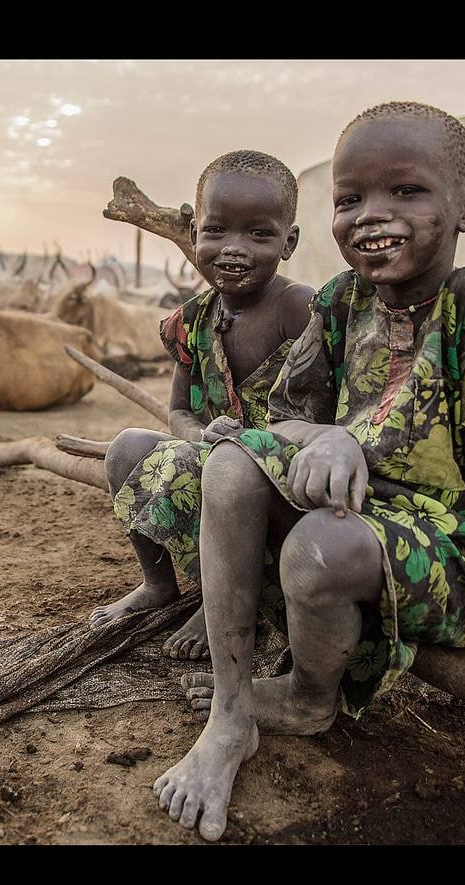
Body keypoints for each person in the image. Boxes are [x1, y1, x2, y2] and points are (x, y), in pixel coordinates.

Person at [153, 102, 465, 842]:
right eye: (350, 199)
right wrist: (331, 439)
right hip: (354, 511)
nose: (372, 215)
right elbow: (280, 422)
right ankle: (231, 715)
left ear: (464, 208)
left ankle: (309, 697)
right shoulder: (339, 303)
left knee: (319, 548)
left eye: (405, 192)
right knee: (229, 463)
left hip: (447, 544)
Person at [91, 150, 315, 661]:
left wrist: (248, 450)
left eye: (259, 235)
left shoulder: (298, 309)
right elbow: (178, 412)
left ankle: (232, 597)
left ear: (290, 242)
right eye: (217, 231)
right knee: (128, 447)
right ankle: (159, 584)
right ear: (194, 234)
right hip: (216, 456)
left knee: (231, 476)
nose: (234, 249)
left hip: (283, 479)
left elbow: (323, 415)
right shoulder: (193, 320)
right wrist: (200, 436)